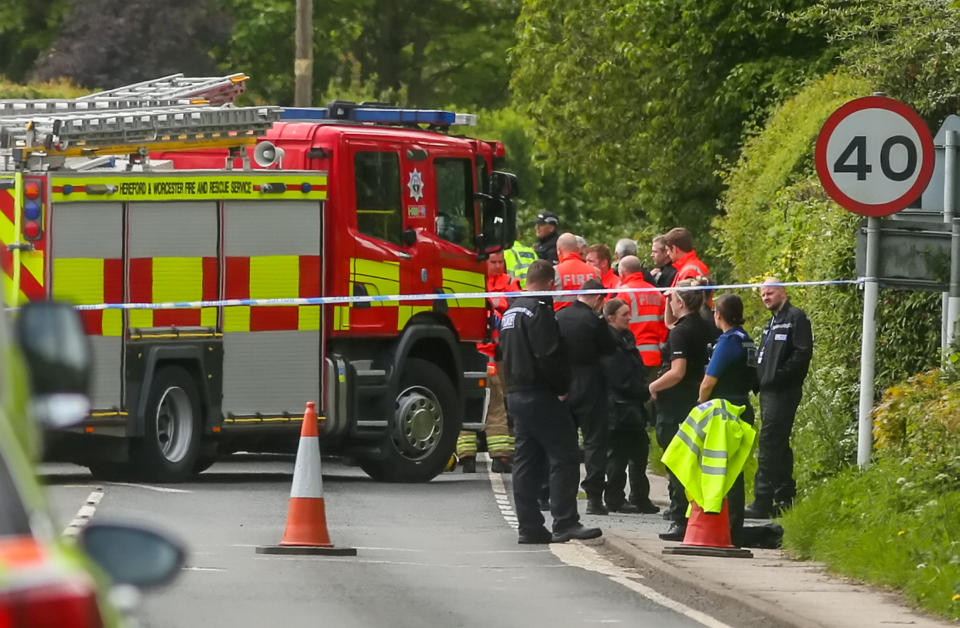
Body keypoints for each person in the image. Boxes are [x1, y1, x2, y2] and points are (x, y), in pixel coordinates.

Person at [499, 259, 602, 544]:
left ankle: (529, 525)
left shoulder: (511, 310)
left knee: (526, 461)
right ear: (547, 282)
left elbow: (502, 353)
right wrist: (562, 387)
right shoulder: (539, 311)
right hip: (539, 392)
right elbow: (549, 354)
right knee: (565, 454)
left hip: (517, 393)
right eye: (553, 285)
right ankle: (565, 521)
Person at [648, 277, 714, 541]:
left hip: (676, 403)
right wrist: (669, 297)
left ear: (682, 302)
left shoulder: (680, 332)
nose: (671, 304)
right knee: (696, 460)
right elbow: (669, 322)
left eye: (673, 300)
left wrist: (653, 386)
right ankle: (694, 515)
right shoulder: (707, 326)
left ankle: (679, 519)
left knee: (677, 461)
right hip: (699, 399)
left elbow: (677, 372)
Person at [746, 278, 813, 519]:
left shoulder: (796, 317)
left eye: (770, 293)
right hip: (768, 392)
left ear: (783, 292)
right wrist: (758, 380)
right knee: (778, 443)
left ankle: (762, 500)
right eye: (763, 294)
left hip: (783, 391)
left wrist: (778, 377)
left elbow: (802, 354)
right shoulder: (772, 322)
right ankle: (784, 496)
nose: (765, 297)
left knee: (769, 441)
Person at [698, 293, 757, 544]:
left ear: (718, 315)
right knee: (735, 470)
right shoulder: (747, 340)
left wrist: (701, 403)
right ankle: (734, 528)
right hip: (744, 406)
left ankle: (726, 529)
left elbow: (709, 381)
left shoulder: (728, 341)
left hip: (725, 409)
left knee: (723, 471)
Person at [557, 279, 617, 515]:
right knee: (594, 442)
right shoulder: (595, 320)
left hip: (564, 384)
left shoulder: (560, 317)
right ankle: (593, 498)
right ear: (597, 299)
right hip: (591, 385)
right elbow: (610, 349)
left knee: (565, 443)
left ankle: (564, 493)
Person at [457, 251, 518, 474]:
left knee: (488, 404)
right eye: (493, 262)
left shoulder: (510, 284)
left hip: (494, 355)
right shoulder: (474, 284)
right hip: (481, 354)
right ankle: (483, 457)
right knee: (491, 406)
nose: (498, 265)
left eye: (501, 262)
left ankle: (477, 458)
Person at [601, 298, 660, 514]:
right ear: (611, 318)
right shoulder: (610, 344)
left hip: (632, 404)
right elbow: (619, 377)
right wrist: (644, 390)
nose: (629, 317)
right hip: (618, 405)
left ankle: (639, 497)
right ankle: (615, 498)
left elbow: (635, 368)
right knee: (618, 455)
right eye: (624, 314)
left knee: (639, 450)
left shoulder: (626, 338)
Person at [614, 255, 667, 369]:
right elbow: (664, 325)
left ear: (622, 273)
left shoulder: (623, 294)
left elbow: (615, 326)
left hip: (632, 357)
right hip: (655, 356)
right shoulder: (657, 293)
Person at [662, 227, 711, 328]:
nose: (667, 254)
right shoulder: (693, 266)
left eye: (667, 250)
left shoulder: (688, 271)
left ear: (675, 249)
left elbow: (688, 306)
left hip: (692, 326)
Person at [553, 232, 598, 311]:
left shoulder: (554, 272)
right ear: (577, 249)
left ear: (559, 251)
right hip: (589, 319)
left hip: (561, 320)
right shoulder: (595, 271)